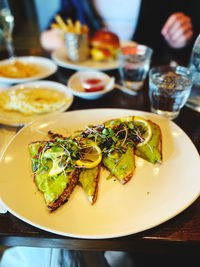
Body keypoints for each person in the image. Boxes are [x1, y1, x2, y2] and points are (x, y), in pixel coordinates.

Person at [40, 0, 199, 63]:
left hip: (145, 81)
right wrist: (50, 38)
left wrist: (181, 39)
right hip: (86, 80)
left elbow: (192, 35)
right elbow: (56, 23)